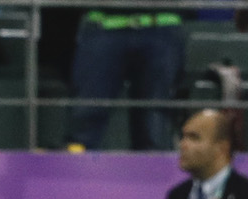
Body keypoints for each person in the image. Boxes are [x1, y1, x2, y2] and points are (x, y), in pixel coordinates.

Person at [65, 7, 185, 151]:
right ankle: (76, 169)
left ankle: (151, 169)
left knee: (154, 120)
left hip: (162, 25)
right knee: (86, 113)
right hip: (102, 24)